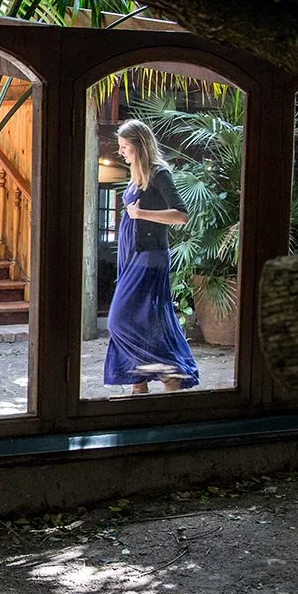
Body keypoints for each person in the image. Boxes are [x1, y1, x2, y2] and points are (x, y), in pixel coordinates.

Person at [104, 119, 200, 394]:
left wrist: (141, 214)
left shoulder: (159, 173)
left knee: (120, 320)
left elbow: (181, 215)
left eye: (125, 147)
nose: (120, 152)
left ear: (139, 146)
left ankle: (171, 373)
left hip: (149, 257)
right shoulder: (138, 172)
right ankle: (140, 387)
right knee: (140, 319)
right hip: (132, 257)